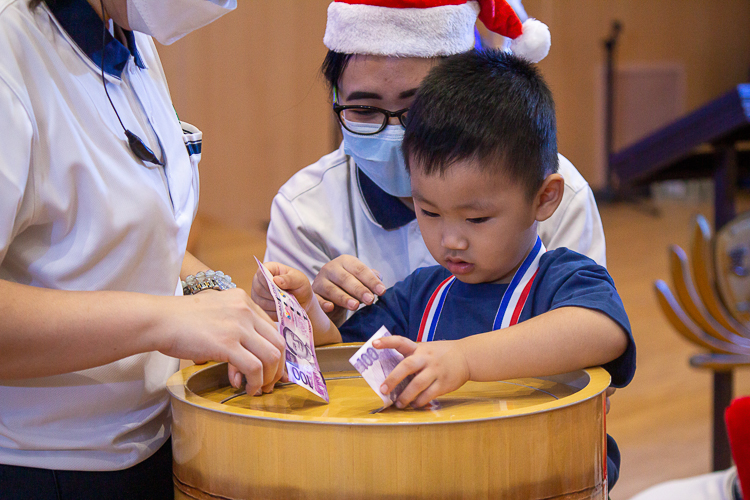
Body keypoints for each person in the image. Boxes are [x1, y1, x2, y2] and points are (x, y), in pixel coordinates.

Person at [258, 49, 636, 492]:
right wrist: (305, 311)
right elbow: (343, 354)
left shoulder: (562, 277)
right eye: (429, 212)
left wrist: (464, 358)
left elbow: (601, 330)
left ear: (545, 199)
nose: (450, 239)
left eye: (476, 219)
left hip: (546, 477)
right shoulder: (421, 294)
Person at [0, 0, 284, 497]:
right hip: (44, 465)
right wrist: (166, 322)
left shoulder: (130, 39)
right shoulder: (12, 57)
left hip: (155, 439)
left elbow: (127, 237)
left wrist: (215, 296)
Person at [253, 0, 606, 328]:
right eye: (363, 110)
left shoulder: (544, 189)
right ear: (335, 98)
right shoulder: (304, 210)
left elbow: (594, 349)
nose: (394, 134)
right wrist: (314, 314)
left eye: (418, 109)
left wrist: (463, 361)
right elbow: (295, 369)